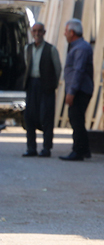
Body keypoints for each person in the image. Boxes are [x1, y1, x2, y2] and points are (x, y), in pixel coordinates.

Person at [22, 22, 61, 157]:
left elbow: (57, 69)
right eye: (34, 31)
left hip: (46, 87)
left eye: (39, 31)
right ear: (32, 33)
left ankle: (46, 148)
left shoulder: (51, 49)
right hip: (32, 85)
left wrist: (52, 85)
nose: (37, 34)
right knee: (29, 117)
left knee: (47, 117)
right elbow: (26, 66)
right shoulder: (27, 48)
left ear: (44, 33)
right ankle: (31, 148)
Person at [60, 18, 93, 161]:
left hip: (79, 91)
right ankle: (85, 149)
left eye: (66, 31)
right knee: (78, 119)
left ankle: (78, 151)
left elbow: (78, 71)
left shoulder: (81, 48)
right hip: (79, 90)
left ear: (72, 32)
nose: (64, 34)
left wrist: (71, 92)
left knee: (76, 120)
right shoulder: (78, 46)